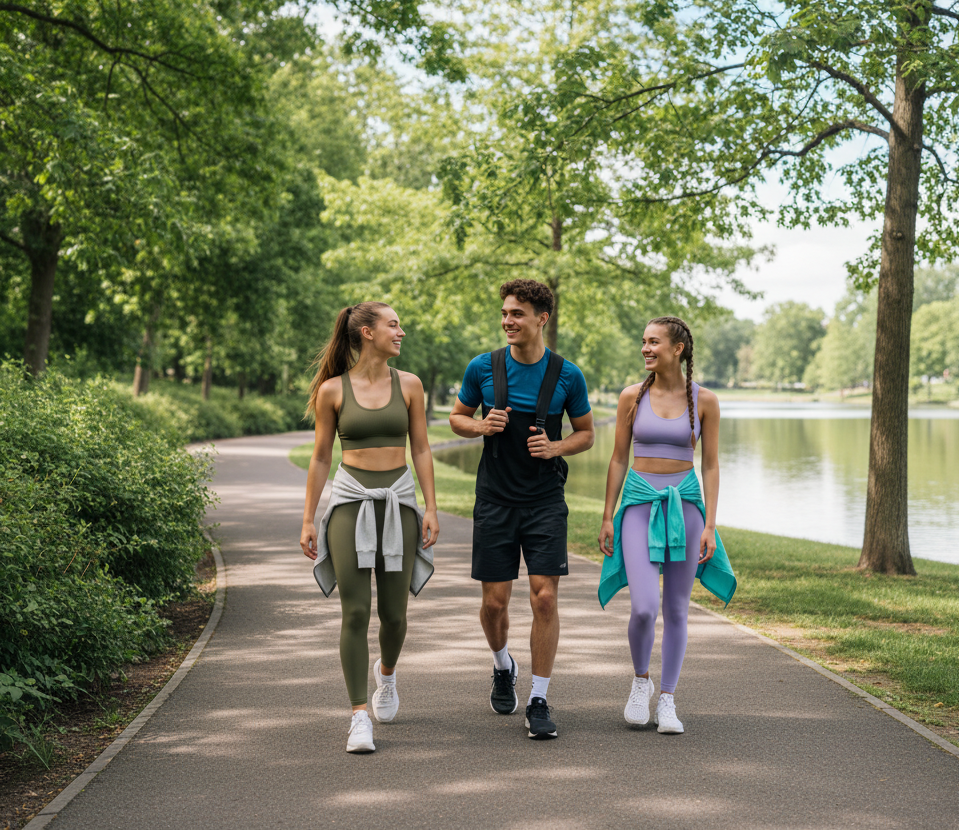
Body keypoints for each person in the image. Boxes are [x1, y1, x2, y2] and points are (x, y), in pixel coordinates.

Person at [449, 279, 595, 740]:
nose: (508, 321)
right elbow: (456, 417)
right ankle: (501, 665)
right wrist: (477, 426)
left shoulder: (567, 375)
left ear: (541, 319)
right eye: (505, 314)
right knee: (494, 603)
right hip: (494, 497)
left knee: (545, 597)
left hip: (544, 500)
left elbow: (586, 433)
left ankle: (539, 698)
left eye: (517, 314)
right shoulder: (483, 367)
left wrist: (555, 447)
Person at [300, 302, 441, 754]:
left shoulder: (411, 385)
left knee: (395, 616)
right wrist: (308, 518)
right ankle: (359, 715)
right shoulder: (333, 391)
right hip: (349, 505)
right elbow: (321, 456)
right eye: (393, 324)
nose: (401, 331)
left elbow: (420, 449)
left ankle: (387, 675)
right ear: (366, 332)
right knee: (356, 612)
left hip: (398, 503)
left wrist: (431, 507)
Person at [597, 316, 735, 734]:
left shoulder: (705, 401)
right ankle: (641, 682)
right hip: (639, 503)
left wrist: (710, 524)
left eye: (654, 342)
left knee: (676, 608)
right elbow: (619, 458)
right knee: (644, 607)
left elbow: (710, 465)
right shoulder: (631, 397)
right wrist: (607, 514)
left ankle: (668, 700)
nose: (646, 348)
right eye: (643, 342)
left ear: (678, 349)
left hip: (686, 507)